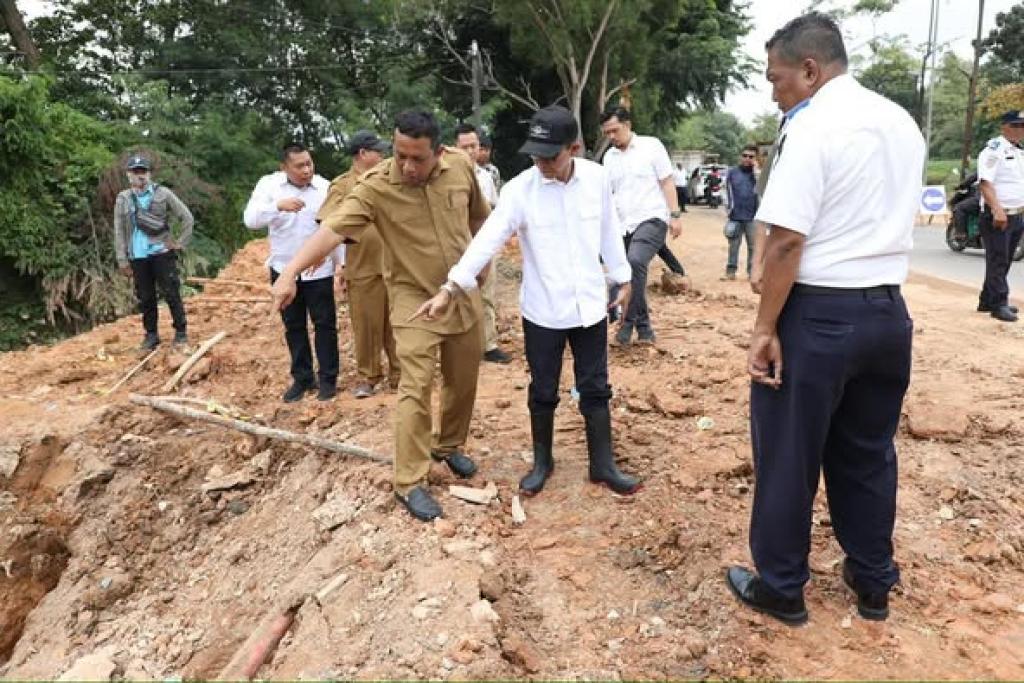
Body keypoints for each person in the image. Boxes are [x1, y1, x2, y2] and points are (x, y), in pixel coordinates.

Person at [726, 13, 924, 626]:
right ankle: (872, 583)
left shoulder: (813, 125)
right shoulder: (899, 121)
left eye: (776, 78)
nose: (774, 90)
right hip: (888, 313)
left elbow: (787, 241)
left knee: (789, 453)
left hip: (821, 316)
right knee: (867, 454)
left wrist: (764, 330)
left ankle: (782, 587)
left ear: (810, 70)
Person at [270, 110, 490, 522]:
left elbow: (479, 215)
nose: (406, 166)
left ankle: (448, 446)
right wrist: (289, 272)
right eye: (399, 154)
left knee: (464, 376)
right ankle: (409, 481)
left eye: (417, 158)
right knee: (417, 383)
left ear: (438, 152)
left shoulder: (461, 167)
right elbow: (331, 231)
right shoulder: (375, 187)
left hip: (460, 290)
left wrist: (482, 261)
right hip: (411, 298)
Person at [412, 105, 640, 497]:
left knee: (596, 386)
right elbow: (487, 240)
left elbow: (608, 228)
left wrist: (622, 276)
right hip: (543, 310)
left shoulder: (597, 179)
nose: (542, 163)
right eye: (536, 154)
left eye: (550, 155)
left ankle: (602, 465)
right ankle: (542, 462)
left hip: (589, 305)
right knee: (544, 389)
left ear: (575, 148)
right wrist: (452, 286)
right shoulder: (521, 189)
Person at [244, 142, 342, 402]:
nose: (306, 170)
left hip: (319, 270)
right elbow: (250, 219)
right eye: (299, 166)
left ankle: (328, 380)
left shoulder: (325, 187)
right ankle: (303, 378)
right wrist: (277, 206)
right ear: (284, 167)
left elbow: (338, 229)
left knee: (324, 324)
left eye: (309, 163)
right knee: (293, 325)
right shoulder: (269, 186)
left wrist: (340, 264)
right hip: (283, 269)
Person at [318, 130, 399, 398]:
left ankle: (400, 374)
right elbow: (328, 221)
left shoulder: (390, 179)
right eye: (378, 151)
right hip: (362, 267)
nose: (383, 155)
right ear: (363, 154)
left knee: (397, 324)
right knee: (366, 326)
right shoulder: (342, 186)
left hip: (394, 264)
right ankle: (368, 376)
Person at [600, 107, 683, 345]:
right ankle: (645, 328)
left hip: (652, 218)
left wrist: (675, 215)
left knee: (635, 261)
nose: (611, 137)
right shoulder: (609, 158)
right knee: (629, 272)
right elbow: (609, 194)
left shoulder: (651, 146)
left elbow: (666, 181)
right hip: (623, 224)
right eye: (607, 133)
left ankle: (626, 325)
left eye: (614, 131)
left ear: (627, 124)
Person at [113, 154, 194, 350]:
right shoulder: (123, 199)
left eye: (143, 171)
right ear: (128, 175)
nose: (139, 175)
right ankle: (151, 335)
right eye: (135, 172)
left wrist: (179, 243)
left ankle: (181, 331)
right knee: (146, 297)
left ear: (149, 174)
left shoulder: (163, 193)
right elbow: (119, 230)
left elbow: (187, 217)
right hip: (137, 255)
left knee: (171, 292)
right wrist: (122, 259)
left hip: (161, 252)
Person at [455, 123, 512, 363]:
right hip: (456, 244)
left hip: (484, 243)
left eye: (474, 146)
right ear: (453, 148)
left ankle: (487, 344)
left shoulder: (486, 177)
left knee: (486, 294)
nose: (470, 151)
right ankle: (460, 347)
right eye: (464, 146)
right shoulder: (445, 176)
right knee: (457, 294)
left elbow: (494, 212)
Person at [975, 110, 1024, 322]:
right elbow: (986, 182)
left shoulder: (1018, 151)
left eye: (1022, 127)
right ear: (1004, 127)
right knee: (998, 260)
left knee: (1003, 261)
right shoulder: (993, 150)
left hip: (1016, 214)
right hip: (998, 215)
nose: (1019, 130)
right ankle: (998, 304)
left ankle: (987, 299)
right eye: (1015, 126)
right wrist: (997, 209)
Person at [723, 145, 760, 280]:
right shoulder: (732, 172)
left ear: (756, 158)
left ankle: (751, 273)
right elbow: (725, 191)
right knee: (733, 246)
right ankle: (730, 272)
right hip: (735, 216)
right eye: (744, 155)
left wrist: (756, 171)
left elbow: (762, 188)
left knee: (753, 247)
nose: (747, 159)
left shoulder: (757, 174)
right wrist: (728, 208)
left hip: (753, 217)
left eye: (751, 157)